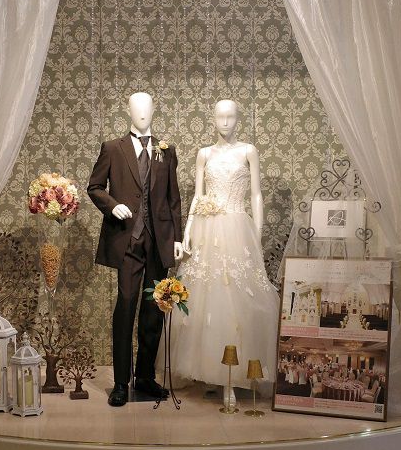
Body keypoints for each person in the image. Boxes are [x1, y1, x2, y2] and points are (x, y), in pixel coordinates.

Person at [162, 99, 279, 409]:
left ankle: (234, 377)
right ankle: (211, 375)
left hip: (237, 226)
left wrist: (257, 231)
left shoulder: (248, 151)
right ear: (212, 118)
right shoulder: (204, 154)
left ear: (238, 118)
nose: (226, 121)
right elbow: (199, 195)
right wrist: (186, 232)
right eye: (220, 116)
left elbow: (256, 193)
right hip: (207, 229)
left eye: (231, 116)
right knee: (205, 303)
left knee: (240, 300)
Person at [87, 92, 184, 407]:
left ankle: (144, 377)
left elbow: (173, 199)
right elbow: (95, 187)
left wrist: (178, 239)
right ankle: (120, 382)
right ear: (127, 110)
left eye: (147, 107)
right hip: (128, 241)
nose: (142, 113)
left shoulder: (166, 151)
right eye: (136, 107)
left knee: (154, 310)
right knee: (126, 307)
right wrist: (112, 206)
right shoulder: (113, 149)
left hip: (158, 242)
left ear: (154, 110)